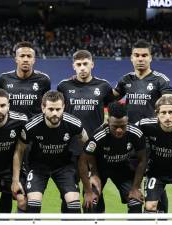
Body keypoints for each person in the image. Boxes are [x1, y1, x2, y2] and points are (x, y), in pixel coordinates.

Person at [114, 39, 172, 213]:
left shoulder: (160, 80)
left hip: (154, 141)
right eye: (137, 55)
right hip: (131, 142)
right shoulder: (126, 80)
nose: (141, 59)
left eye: (144, 55)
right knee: (134, 186)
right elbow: (110, 98)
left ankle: (161, 217)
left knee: (156, 184)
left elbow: (168, 104)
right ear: (131, 58)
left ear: (151, 58)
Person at [12, 91, 88, 213]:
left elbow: (87, 146)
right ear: (43, 108)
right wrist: (15, 180)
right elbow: (19, 151)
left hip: (64, 166)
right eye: (51, 109)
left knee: (73, 202)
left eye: (58, 109)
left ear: (63, 107)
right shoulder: (31, 126)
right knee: (33, 202)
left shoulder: (74, 123)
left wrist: (89, 170)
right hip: (38, 166)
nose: (55, 113)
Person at [57, 49, 114, 212]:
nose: (82, 68)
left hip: (96, 150)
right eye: (79, 65)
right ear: (73, 66)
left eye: (85, 64)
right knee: (69, 196)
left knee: (95, 195)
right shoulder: (64, 86)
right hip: (71, 149)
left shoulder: (103, 86)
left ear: (92, 64)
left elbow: (112, 111)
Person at [0, 41, 51, 212]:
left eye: (29, 56)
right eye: (22, 56)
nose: (26, 59)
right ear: (16, 59)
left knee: (30, 190)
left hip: (33, 143)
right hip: (10, 140)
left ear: (34, 59)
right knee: (6, 190)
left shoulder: (43, 81)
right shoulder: (4, 79)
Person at [79, 102, 146, 213]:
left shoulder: (136, 133)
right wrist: (89, 186)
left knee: (135, 202)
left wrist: (135, 187)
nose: (119, 130)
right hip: (100, 169)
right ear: (108, 121)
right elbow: (83, 160)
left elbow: (142, 160)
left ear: (127, 121)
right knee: (90, 203)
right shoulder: (98, 136)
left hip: (123, 169)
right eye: (115, 126)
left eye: (123, 126)